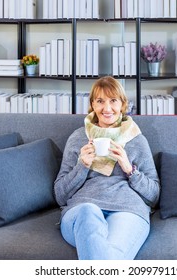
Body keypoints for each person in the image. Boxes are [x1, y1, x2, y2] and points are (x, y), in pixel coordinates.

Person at [54, 76, 160, 260]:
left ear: (122, 104)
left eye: (113, 101)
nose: (107, 108)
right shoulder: (78, 138)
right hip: (82, 210)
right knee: (89, 211)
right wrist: (82, 166)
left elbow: (154, 196)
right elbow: (60, 195)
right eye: (100, 101)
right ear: (92, 105)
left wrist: (129, 169)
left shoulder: (136, 139)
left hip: (127, 210)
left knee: (108, 258)